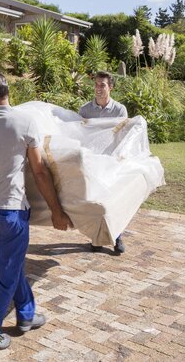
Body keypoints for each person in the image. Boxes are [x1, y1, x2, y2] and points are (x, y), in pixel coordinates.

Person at [0, 73, 73, 354]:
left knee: (9, 265)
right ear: (7, 93)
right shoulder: (25, 122)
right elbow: (39, 171)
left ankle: (26, 314)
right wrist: (57, 211)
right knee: (6, 272)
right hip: (11, 209)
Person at [79, 71, 128, 254]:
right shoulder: (85, 110)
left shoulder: (119, 110)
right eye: (97, 84)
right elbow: (80, 135)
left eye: (103, 85)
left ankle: (117, 237)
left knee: (112, 200)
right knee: (95, 202)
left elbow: (122, 136)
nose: (99, 88)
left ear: (110, 87)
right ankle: (96, 238)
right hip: (91, 162)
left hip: (110, 162)